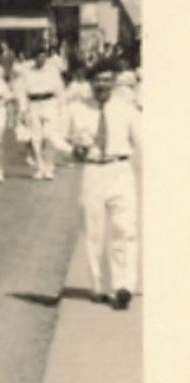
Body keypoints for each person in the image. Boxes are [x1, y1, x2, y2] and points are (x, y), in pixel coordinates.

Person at [65, 59, 142, 309]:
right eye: (98, 80)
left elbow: (144, 140)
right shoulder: (76, 109)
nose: (102, 85)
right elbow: (53, 133)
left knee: (125, 229)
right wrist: (71, 150)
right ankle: (98, 286)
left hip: (120, 169)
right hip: (92, 171)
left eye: (107, 80)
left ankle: (124, 286)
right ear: (90, 82)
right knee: (94, 232)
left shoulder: (127, 109)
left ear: (114, 82)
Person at [18, 45, 65, 180]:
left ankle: (49, 167)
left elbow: (59, 90)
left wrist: (61, 108)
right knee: (35, 138)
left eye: (44, 56)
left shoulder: (52, 71)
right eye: (39, 56)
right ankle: (40, 167)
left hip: (49, 103)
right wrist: (22, 109)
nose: (41, 59)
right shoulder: (27, 72)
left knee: (49, 135)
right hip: (34, 104)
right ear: (34, 58)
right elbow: (22, 92)